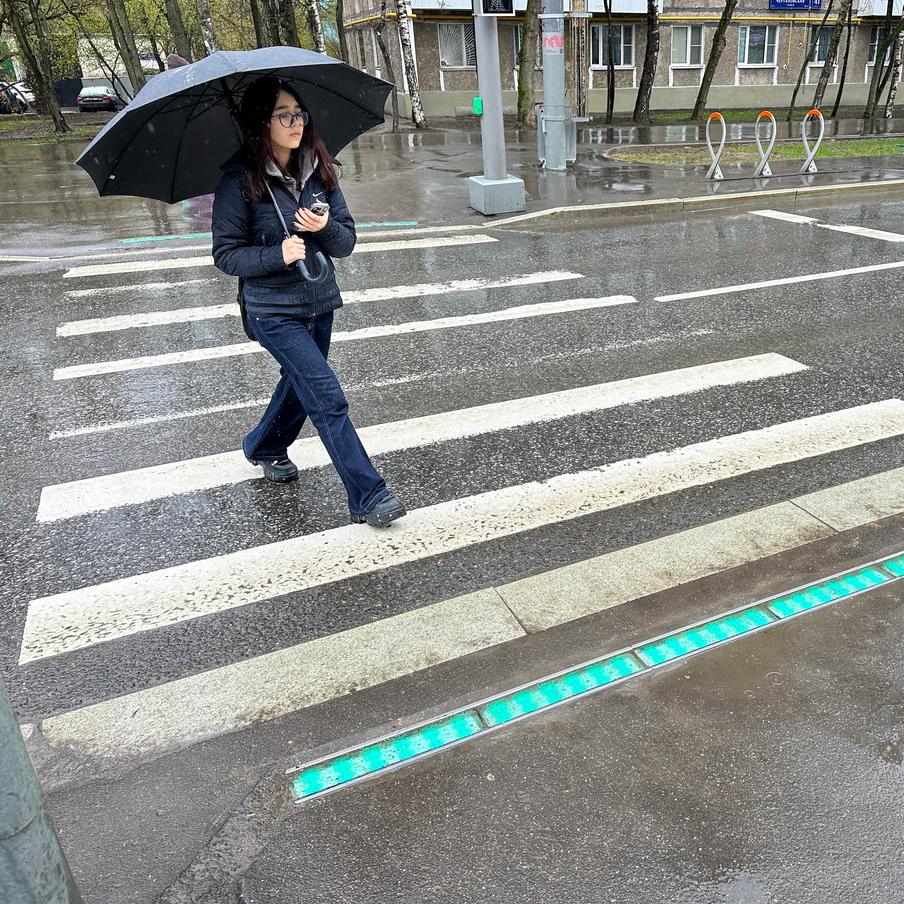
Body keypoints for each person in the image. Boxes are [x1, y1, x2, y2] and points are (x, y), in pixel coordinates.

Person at [211, 76, 406, 528]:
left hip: (318, 301)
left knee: (301, 383)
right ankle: (368, 494)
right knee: (326, 397)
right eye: (283, 115)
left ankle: (264, 446)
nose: (295, 123)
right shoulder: (238, 180)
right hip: (272, 311)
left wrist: (322, 230)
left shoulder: (317, 170)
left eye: (298, 113)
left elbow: (346, 242)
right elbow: (225, 254)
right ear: (262, 123)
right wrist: (275, 254)